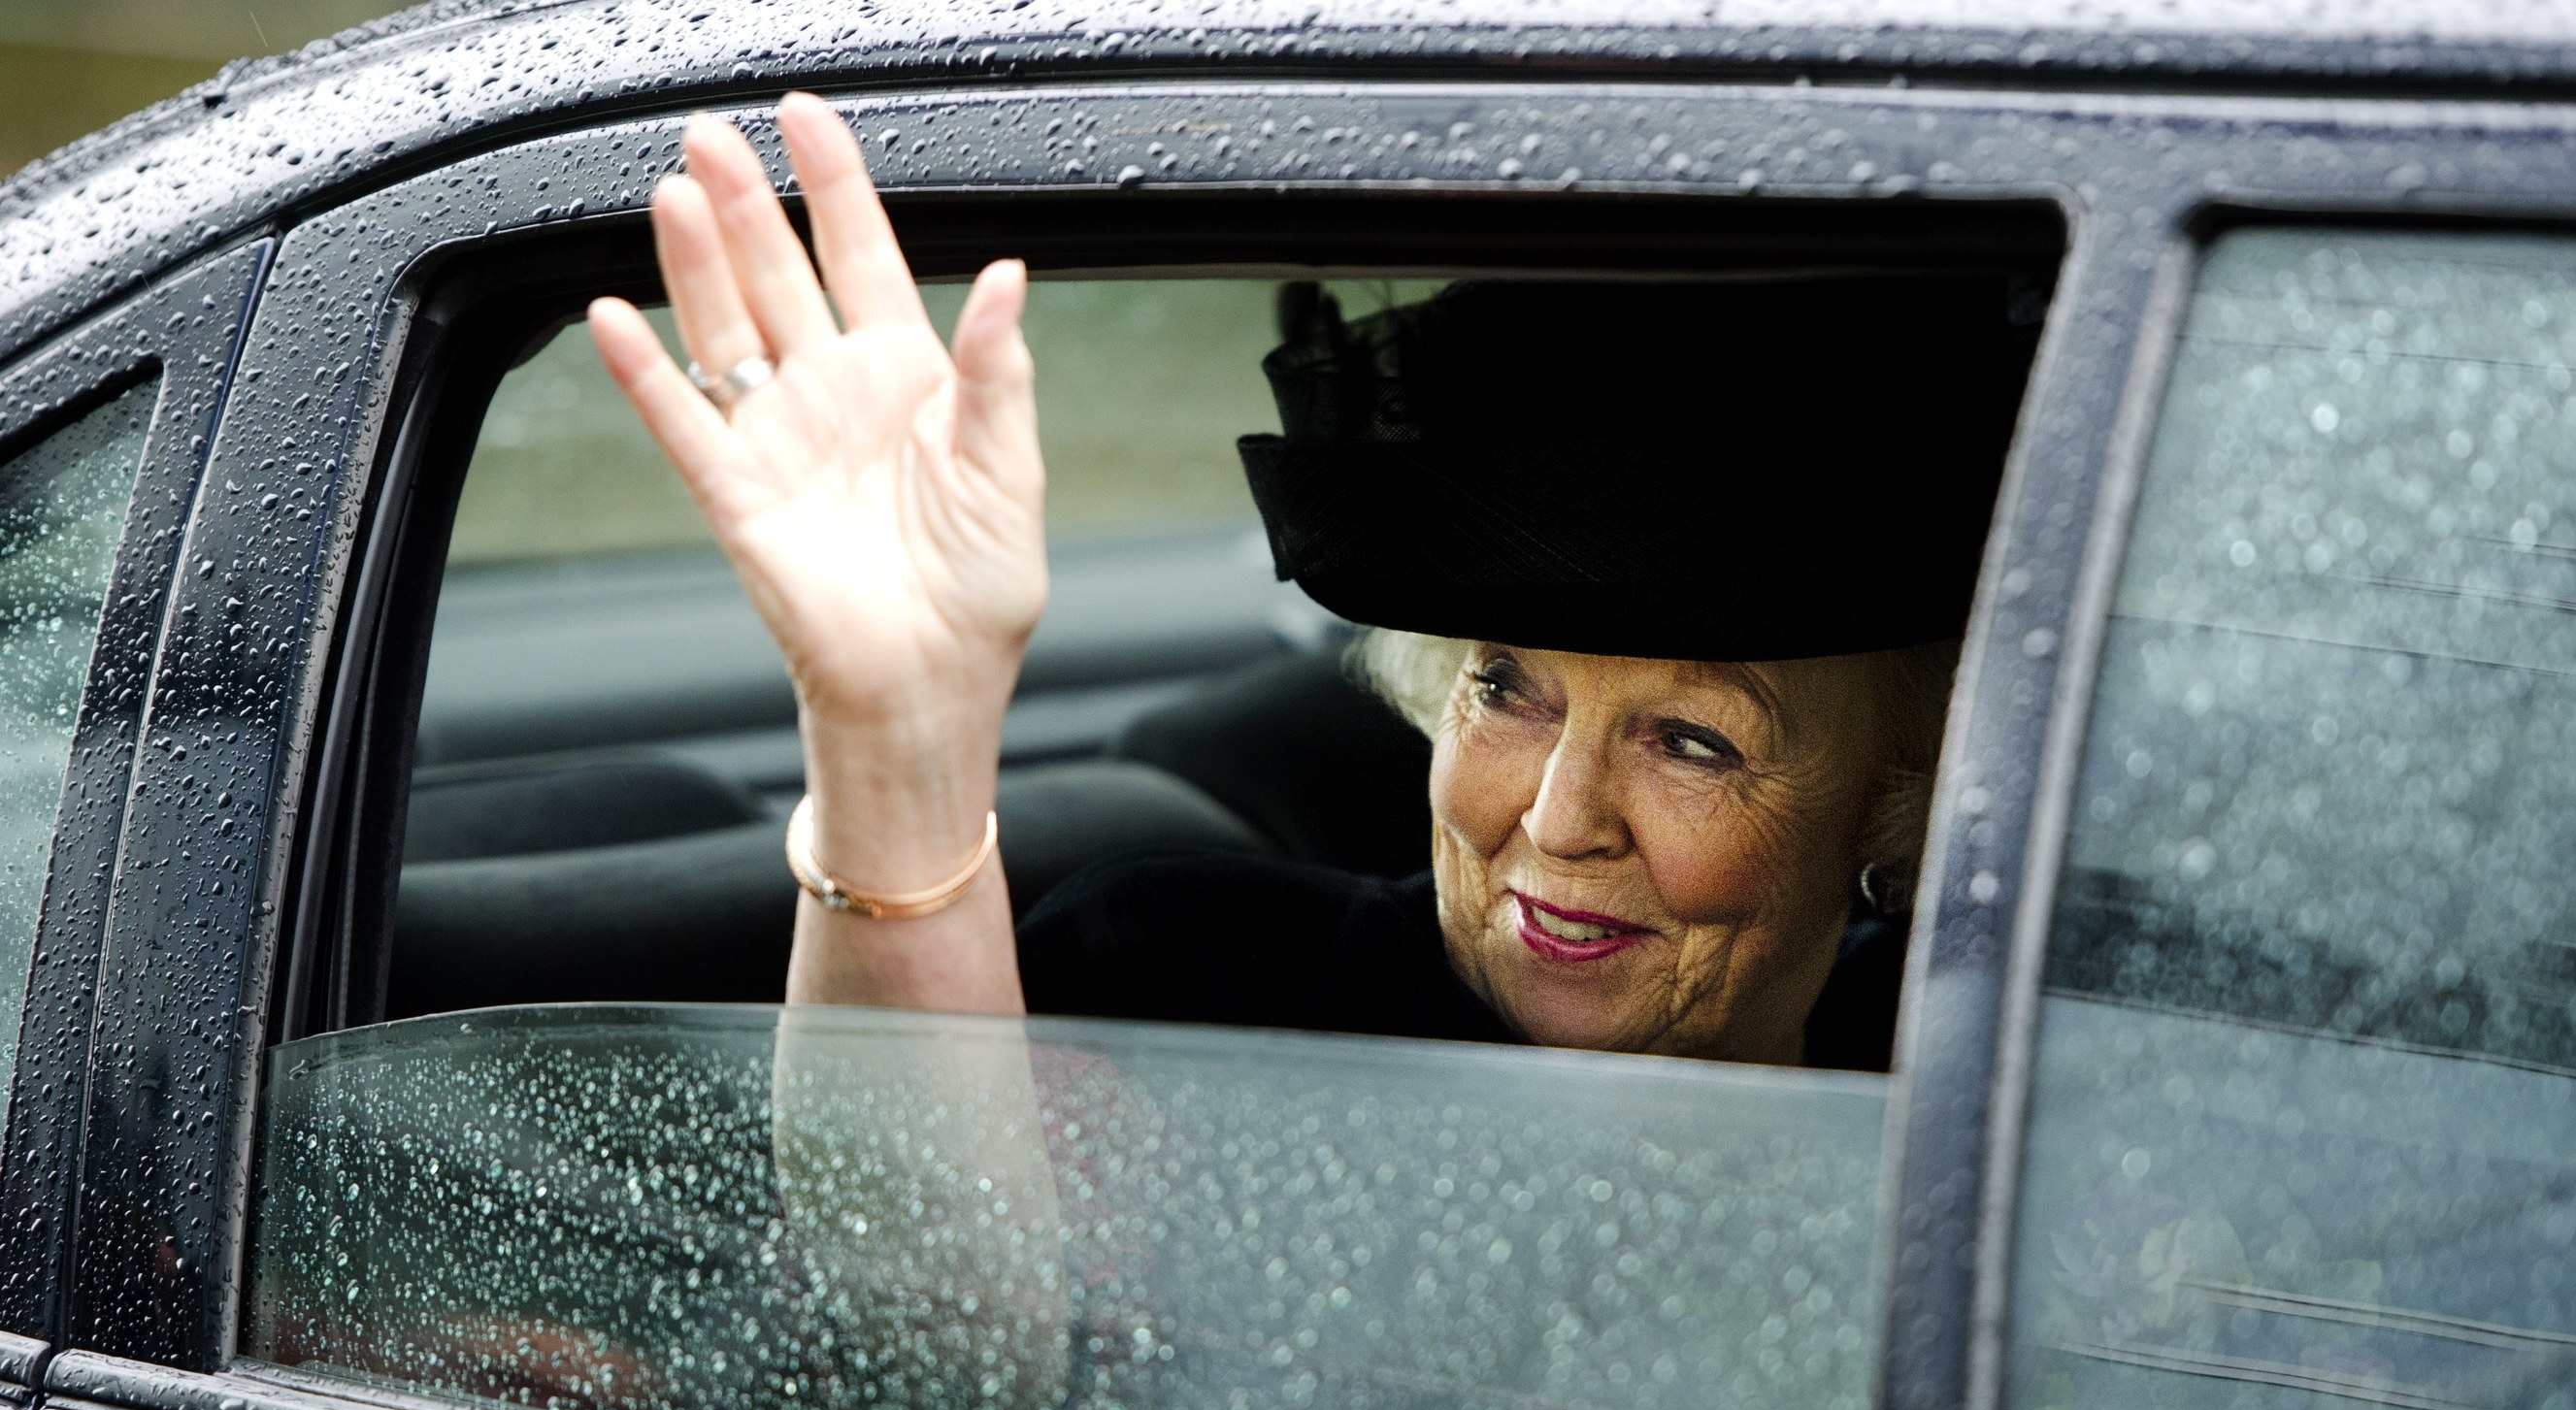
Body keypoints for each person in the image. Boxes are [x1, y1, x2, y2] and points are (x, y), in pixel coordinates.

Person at [589, 94, 2030, 1069]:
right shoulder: (1201, 997)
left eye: (1694, 739)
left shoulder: (2009, 1070)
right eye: (1506, 690)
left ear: (1899, 789)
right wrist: (894, 752)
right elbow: (919, 1370)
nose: (1554, 818)